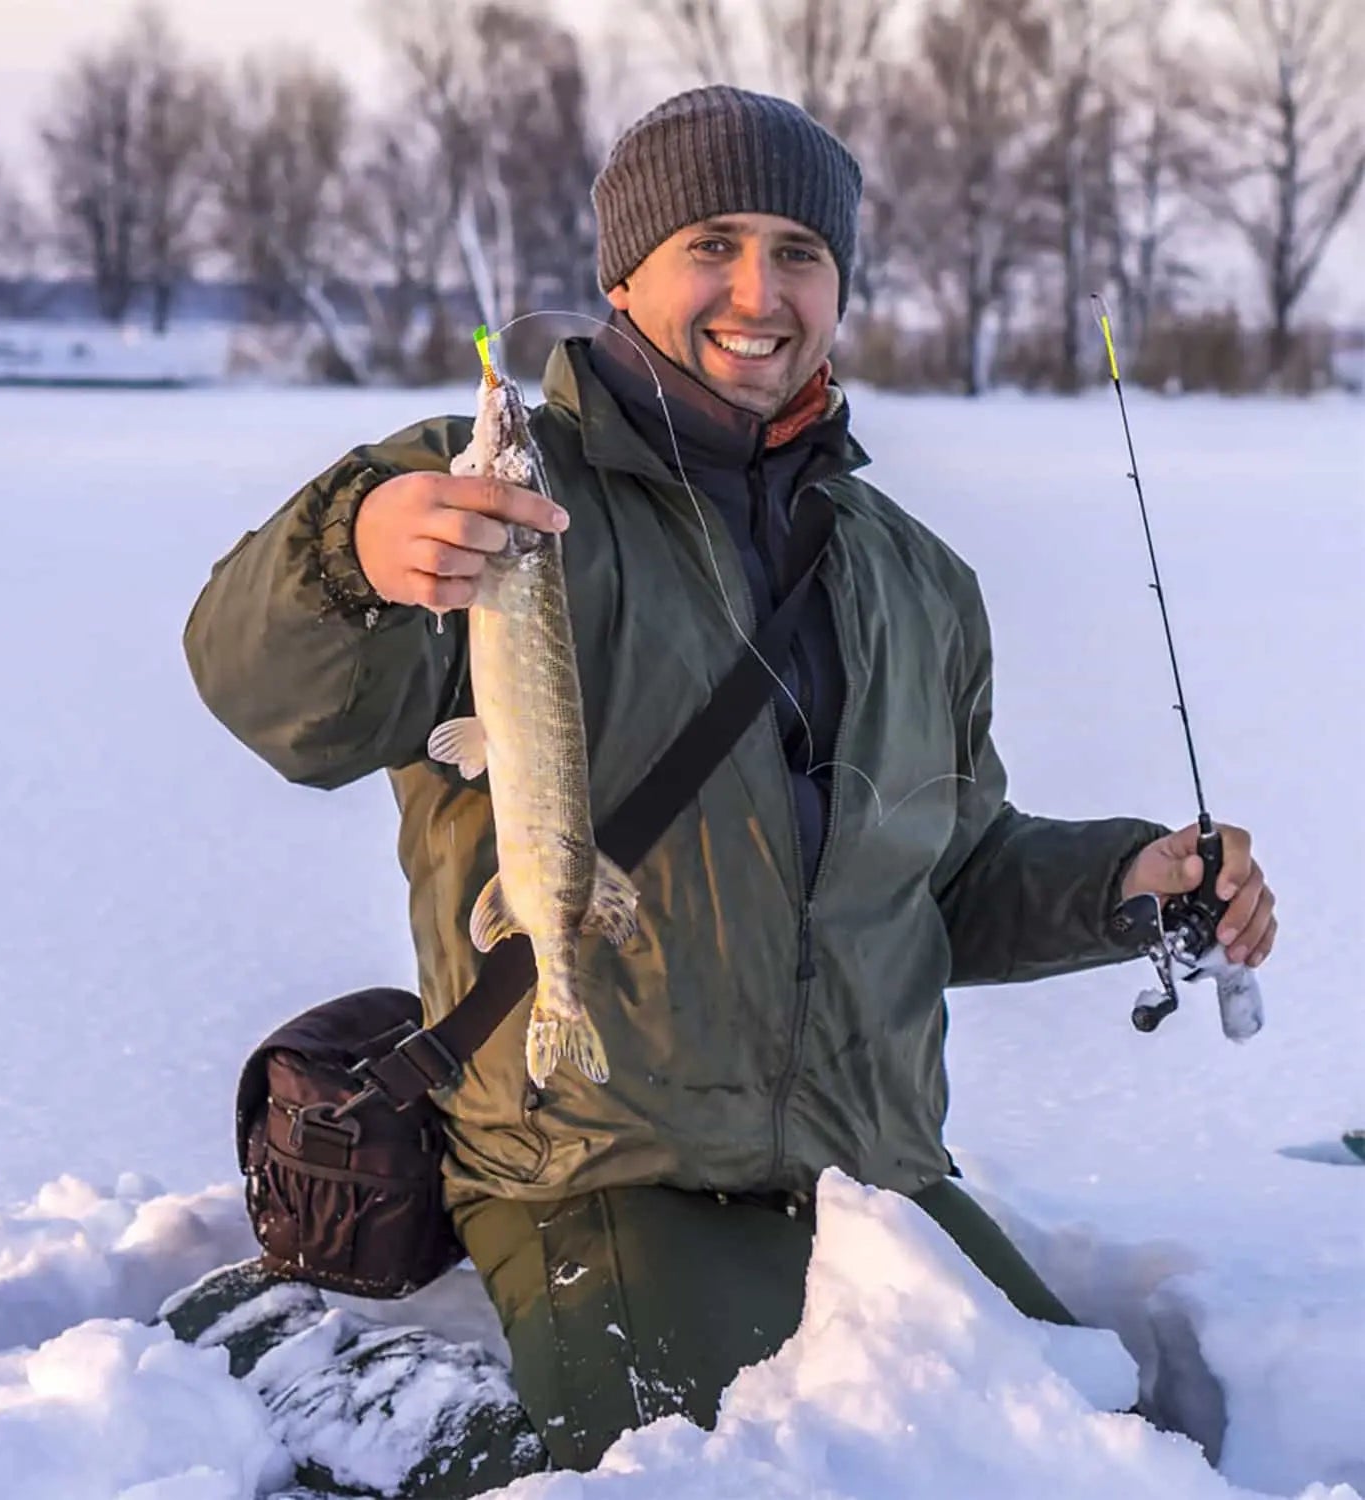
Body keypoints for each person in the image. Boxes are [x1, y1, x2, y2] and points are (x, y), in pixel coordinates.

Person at [185, 85, 1277, 1475]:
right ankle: (323, 1374)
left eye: (801, 252)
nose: (759, 290)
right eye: (712, 241)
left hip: (867, 1182)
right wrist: (352, 551)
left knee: (1101, 1457)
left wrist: (1129, 881)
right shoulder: (492, 499)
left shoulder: (914, 577)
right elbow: (273, 697)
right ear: (621, 274)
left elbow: (939, 878)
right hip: (600, 1167)